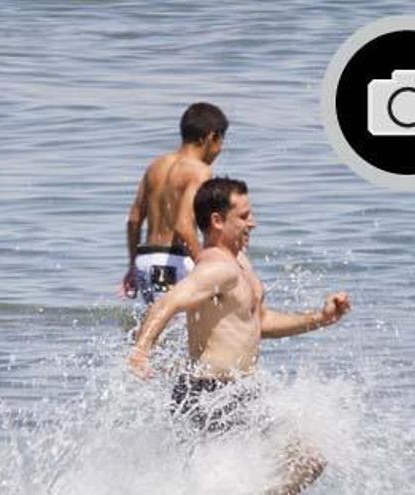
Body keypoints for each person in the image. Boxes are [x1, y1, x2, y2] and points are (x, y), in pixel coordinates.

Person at [127, 177, 350, 494]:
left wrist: (321, 318)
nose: (253, 223)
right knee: (303, 460)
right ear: (217, 221)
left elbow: (260, 322)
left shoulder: (241, 265)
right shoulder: (217, 269)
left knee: (301, 462)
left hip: (239, 391)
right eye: (244, 216)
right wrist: (141, 349)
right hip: (210, 393)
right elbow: (170, 300)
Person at [122, 102, 228, 304]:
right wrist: (202, 263)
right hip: (171, 261)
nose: (220, 150)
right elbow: (183, 226)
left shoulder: (156, 166)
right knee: (177, 325)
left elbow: (134, 220)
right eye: (221, 141)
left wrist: (132, 265)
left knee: (160, 322)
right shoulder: (200, 171)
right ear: (211, 137)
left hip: (145, 259)